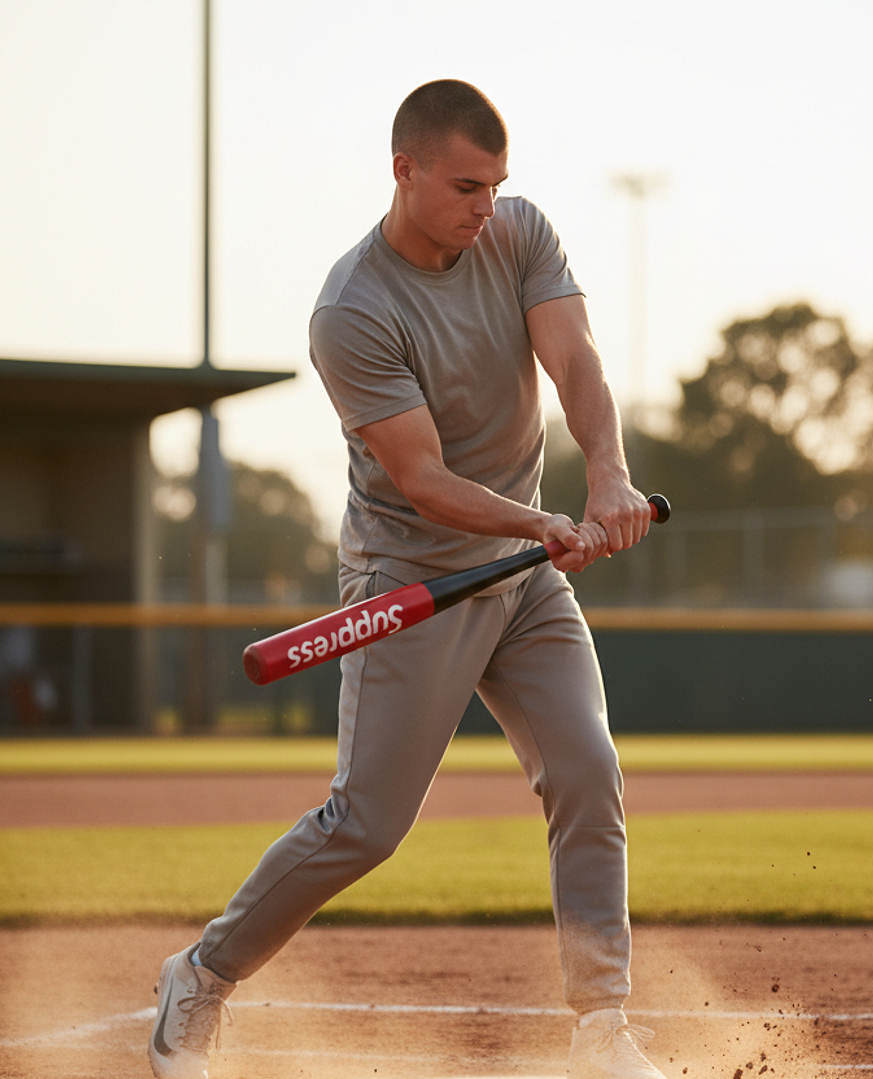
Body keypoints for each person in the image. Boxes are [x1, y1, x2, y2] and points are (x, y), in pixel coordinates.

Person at [149, 79, 668, 1079]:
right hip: (413, 576)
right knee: (367, 824)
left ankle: (600, 1024)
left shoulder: (518, 233)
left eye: (496, 184)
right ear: (405, 170)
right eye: (467, 186)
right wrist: (541, 520)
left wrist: (607, 473)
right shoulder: (353, 308)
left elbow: (575, 361)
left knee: (585, 767)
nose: (486, 206)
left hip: (522, 578)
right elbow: (422, 478)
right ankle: (201, 973)